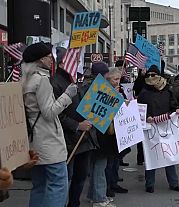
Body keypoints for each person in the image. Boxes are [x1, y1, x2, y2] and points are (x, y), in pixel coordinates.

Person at [21, 42, 77, 207]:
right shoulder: (42, 80)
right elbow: (49, 112)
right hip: (49, 140)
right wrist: (67, 96)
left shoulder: (26, 79)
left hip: (34, 140)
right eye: (47, 56)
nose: (51, 59)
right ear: (39, 59)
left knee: (39, 185)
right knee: (58, 184)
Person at [51, 47, 99, 207]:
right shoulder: (55, 83)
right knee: (66, 178)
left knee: (81, 176)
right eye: (75, 61)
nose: (78, 64)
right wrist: (77, 125)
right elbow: (57, 114)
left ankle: (74, 204)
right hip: (67, 138)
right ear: (64, 62)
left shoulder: (74, 80)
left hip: (83, 139)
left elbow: (82, 104)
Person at [137, 65, 179, 193]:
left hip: (166, 127)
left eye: (154, 75)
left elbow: (173, 105)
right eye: (148, 75)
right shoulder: (144, 93)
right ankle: (149, 184)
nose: (151, 78)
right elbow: (139, 110)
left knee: (169, 155)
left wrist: (177, 110)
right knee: (151, 156)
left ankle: (174, 183)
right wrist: (147, 117)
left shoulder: (168, 91)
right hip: (151, 128)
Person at [85, 62, 117, 207]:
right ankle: (99, 198)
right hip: (98, 135)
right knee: (99, 167)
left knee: (95, 166)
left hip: (92, 134)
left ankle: (94, 194)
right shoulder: (98, 88)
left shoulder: (89, 86)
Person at [102, 68, 129, 198]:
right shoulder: (104, 90)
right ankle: (107, 186)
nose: (118, 82)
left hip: (119, 130)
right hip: (108, 132)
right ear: (108, 79)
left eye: (119, 79)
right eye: (115, 79)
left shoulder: (119, 90)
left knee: (115, 160)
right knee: (109, 162)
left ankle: (114, 182)